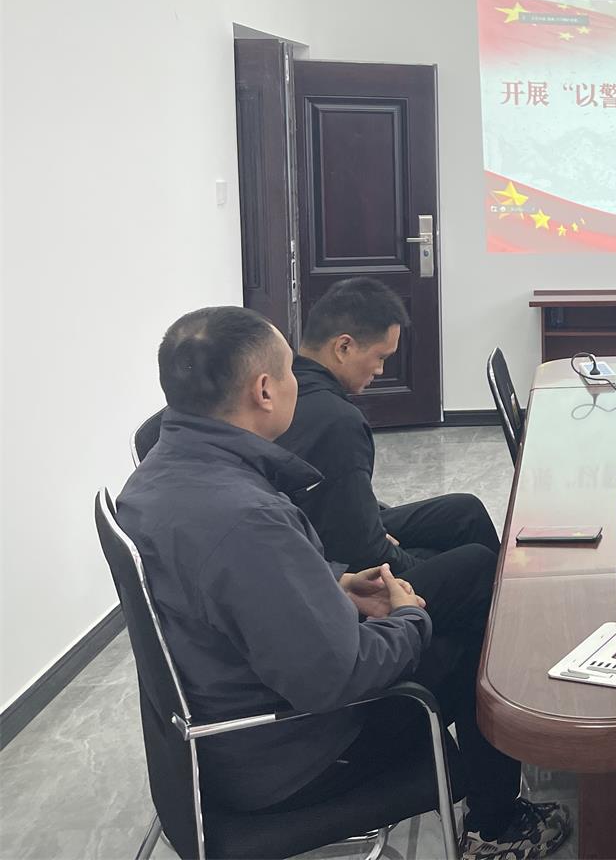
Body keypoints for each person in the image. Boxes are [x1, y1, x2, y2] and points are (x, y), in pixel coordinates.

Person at [117, 307, 569, 858]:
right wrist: (409, 618)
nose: (297, 384)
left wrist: (336, 585)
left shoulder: (154, 478)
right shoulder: (246, 519)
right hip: (294, 756)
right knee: (476, 637)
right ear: (264, 390)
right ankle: (496, 826)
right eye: (290, 372)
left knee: (471, 576)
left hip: (225, 735)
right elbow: (339, 676)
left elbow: (243, 593)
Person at [277, 278, 500, 634]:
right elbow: (361, 550)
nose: (380, 371)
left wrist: (376, 526)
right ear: (344, 347)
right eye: (380, 357)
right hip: (340, 571)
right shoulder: (338, 421)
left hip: (321, 533)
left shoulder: (292, 390)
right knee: (476, 563)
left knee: (463, 510)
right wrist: (417, 563)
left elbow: (346, 506)